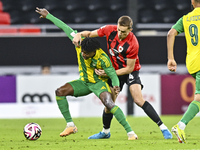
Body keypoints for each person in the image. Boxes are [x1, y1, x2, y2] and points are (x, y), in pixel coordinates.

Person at [35, 7, 138, 140]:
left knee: (109, 103)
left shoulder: (103, 58)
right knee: (60, 92)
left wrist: (116, 86)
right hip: (83, 82)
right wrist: (48, 16)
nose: (83, 55)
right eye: (82, 52)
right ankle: (70, 125)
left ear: (94, 52)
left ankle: (130, 133)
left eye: (86, 54)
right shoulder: (79, 43)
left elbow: (112, 74)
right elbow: (65, 27)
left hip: (98, 83)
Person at [73, 16, 172, 139]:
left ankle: (163, 128)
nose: (120, 34)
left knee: (138, 99)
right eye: (119, 30)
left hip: (129, 72)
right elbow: (89, 34)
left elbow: (129, 68)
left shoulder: (133, 43)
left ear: (130, 30)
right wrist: (78, 35)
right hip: (114, 71)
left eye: (124, 32)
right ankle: (105, 132)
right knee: (109, 103)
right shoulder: (109, 30)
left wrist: (107, 73)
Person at [167, 0, 200, 143]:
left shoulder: (186, 18)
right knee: (198, 99)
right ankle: (180, 125)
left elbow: (170, 34)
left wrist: (170, 59)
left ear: (192, 2)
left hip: (193, 63)